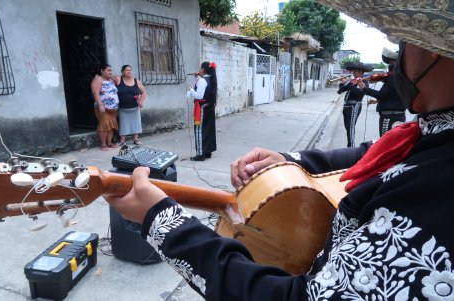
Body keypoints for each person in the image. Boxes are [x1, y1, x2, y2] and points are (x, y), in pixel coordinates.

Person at [105, 1, 454, 299]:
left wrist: (165, 224)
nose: (400, 58)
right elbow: (374, 153)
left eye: (407, 41)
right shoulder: (433, 132)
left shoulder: (439, 188)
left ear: (433, 52)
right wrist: (289, 160)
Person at [357, 47, 407, 136]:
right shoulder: (401, 76)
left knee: (387, 144)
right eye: (389, 62)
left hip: (390, 117)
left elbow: (381, 95)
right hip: (396, 115)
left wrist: (364, 88)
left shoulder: (393, 77)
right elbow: (394, 95)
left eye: (392, 62)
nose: (390, 65)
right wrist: (377, 101)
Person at [186, 61, 217, 161]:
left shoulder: (202, 81)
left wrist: (191, 89)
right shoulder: (210, 79)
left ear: (203, 69)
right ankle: (207, 151)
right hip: (209, 108)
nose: (199, 70)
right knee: (208, 130)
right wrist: (196, 78)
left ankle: (200, 154)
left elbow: (199, 95)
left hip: (202, 108)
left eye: (200, 68)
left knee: (199, 130)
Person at [337, 61, 371, 147]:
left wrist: (347, 83)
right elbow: (340, 91)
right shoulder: (352, 81)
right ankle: (350, 146)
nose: (354, 73)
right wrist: (342, 83)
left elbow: (358, 92)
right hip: (346, 106)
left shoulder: (364, 81)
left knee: (351, 128)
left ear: (361, 72)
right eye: (353, 71)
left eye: (355, 71)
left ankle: (351, 146)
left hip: (354, 106)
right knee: (347, 127)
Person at [113, 65, 147, 145]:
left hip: (135, 107)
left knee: (136, 123)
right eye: (127, 70)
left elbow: (144, 92)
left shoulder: (136, 81)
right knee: (123, 124)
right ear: (122, 72)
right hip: (122, 108)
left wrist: (141, 102)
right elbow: (109, 78)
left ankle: (136, 139)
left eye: (130, 70)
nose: (129, 72)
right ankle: (122, 141)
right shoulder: (119, 79)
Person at [91, 63, 119, 151]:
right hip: (103, 108)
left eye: (111, 70)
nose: (110, 72)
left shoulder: (110, 80)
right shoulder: (98, 79)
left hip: (113, 108)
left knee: (111, 126)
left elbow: (118, 81)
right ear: (102, 71)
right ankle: (103, 144)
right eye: (108, 70)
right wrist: (100, 105)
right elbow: (95, 93)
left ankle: (109, 143)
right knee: (104, 125)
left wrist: (110, 76)